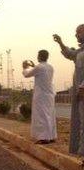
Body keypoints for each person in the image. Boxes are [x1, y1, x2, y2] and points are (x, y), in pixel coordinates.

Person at [54, 25, 84, 154]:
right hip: (80, 93)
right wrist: (60, 43)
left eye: (78, 32)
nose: (76, 35)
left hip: (83, 90)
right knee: (80, 122)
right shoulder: (80, 51)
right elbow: (69, 54)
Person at [22, 50, 56, 144]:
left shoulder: (39, 67)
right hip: (49, 95)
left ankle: (44, 137)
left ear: (39, 56)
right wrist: (33, 66)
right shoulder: (50, 67)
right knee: (50, 115)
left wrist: (25, 67)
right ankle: (51, 136)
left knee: (42, 116)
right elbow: (38, 71)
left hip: (41, 96)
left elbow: (27, 74)